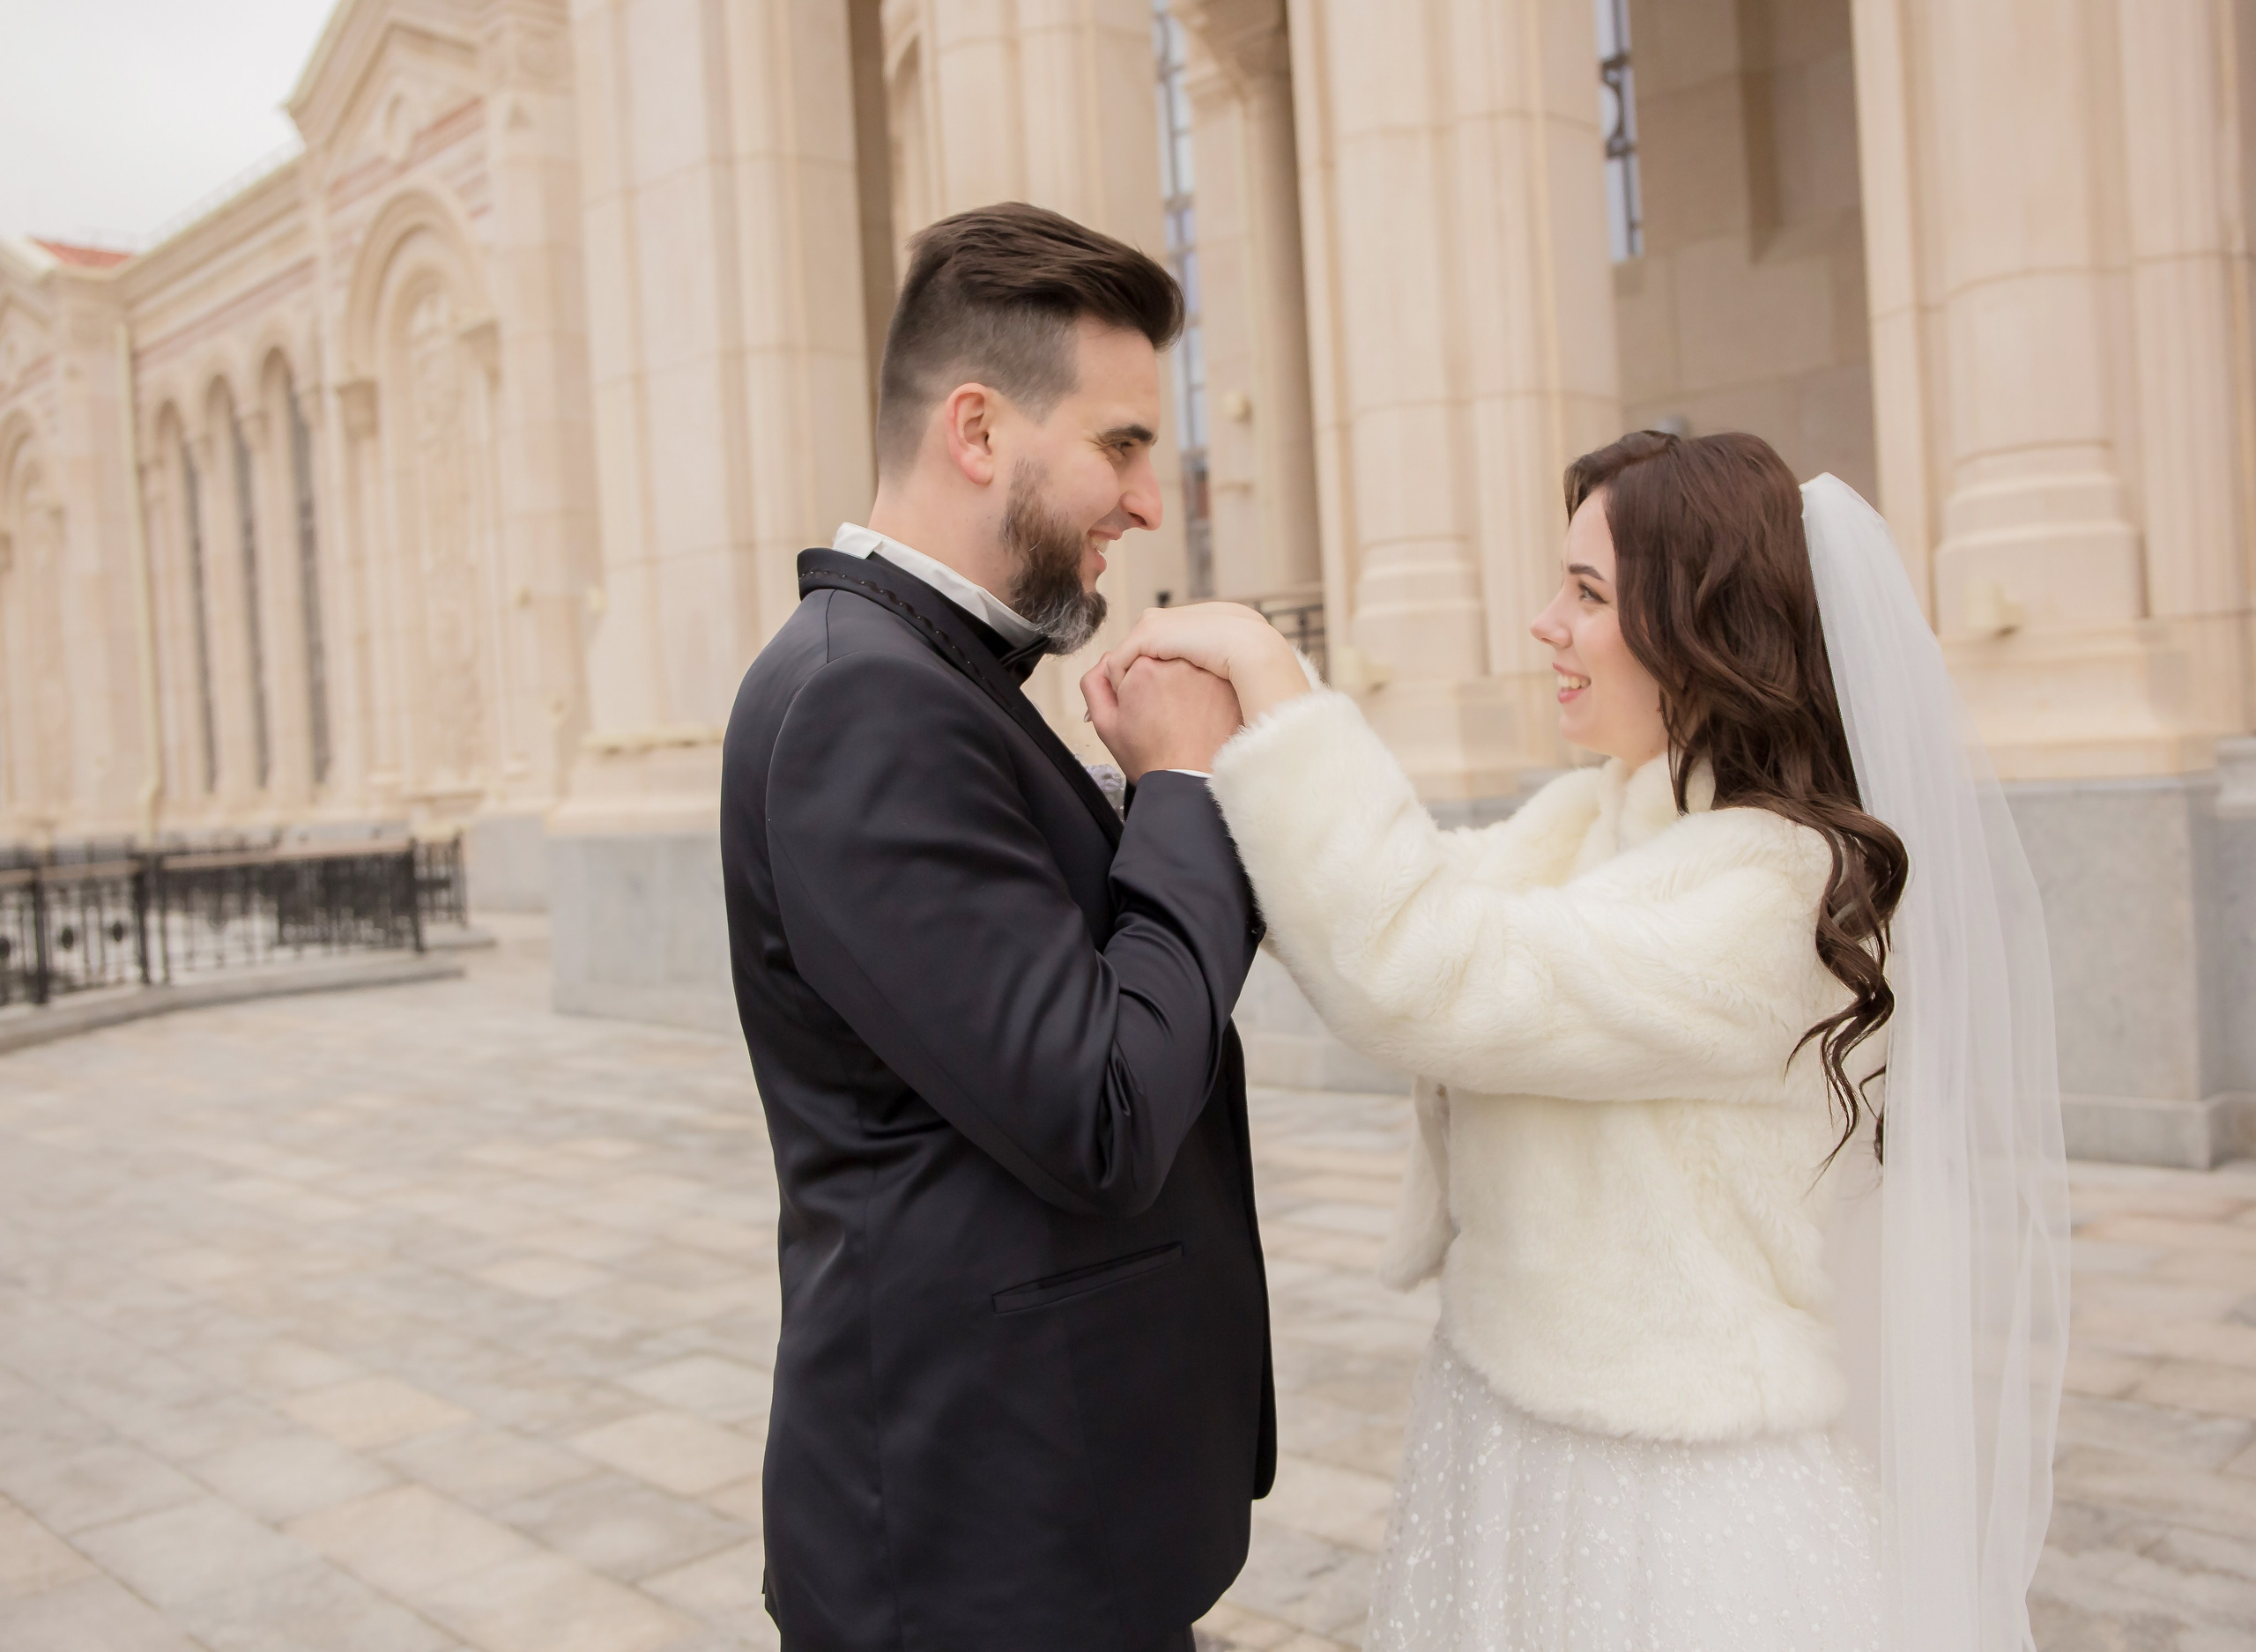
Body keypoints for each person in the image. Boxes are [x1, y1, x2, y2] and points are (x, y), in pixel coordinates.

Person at [1100, 431, 2069, 1651]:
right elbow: (1376, 902)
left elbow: (1425, 965)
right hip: (1508, 1429)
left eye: (1589, 593)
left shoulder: (1780, 897)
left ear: (1704, 628)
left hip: (1673, 1496)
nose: (1544, 623)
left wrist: (1265, 675)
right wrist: (1184, 777)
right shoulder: (1598, 815)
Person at [718, 202, 1273, 1652]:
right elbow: (1101, 1106)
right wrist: (1183, 788)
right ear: (979, 430)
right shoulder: (864, 701)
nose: (1149, 501)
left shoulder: (927, 677)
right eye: (1123, 444)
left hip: (1051, 1523)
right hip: (980, 1562)